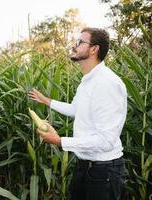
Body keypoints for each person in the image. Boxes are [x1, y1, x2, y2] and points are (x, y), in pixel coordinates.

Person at [28, 27, 127, 200]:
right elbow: (76, 109)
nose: (74, 46)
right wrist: (48, 101)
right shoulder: (87, 81)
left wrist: (60, 141)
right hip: (85, 167)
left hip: (104, 171)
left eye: (80, 42)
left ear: (94, 49)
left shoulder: (106, 83)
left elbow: (106, 141)